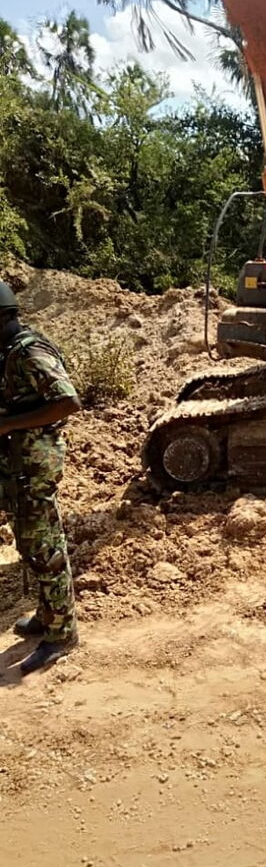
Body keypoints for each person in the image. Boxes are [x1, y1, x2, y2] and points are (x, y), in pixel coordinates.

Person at [0, 281, 81, 675]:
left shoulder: (29, 351)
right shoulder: (8, 351)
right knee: (31, 544)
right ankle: (48, 615)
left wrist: (6, 425)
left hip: (35, 461)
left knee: (45, 547)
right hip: (18, 462)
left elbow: (68, 400)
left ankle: (62, 634)